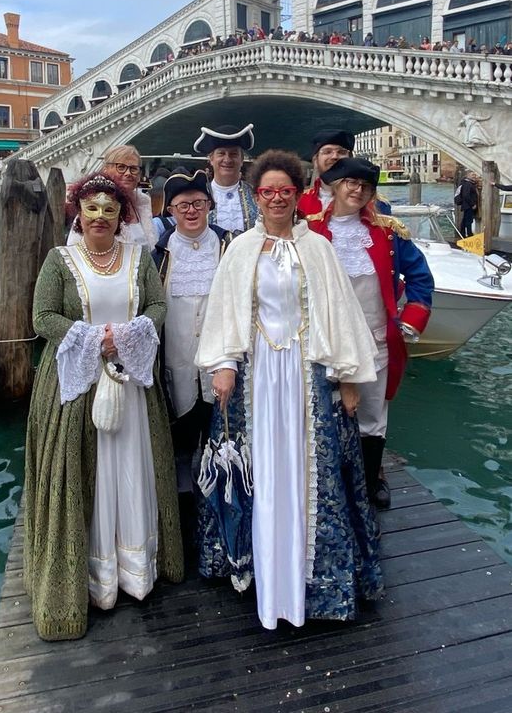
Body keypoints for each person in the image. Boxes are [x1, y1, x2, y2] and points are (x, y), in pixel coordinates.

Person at [196, 149, 383, 629]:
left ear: (299, 194)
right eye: (267, 191)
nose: (277, 199)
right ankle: (261, 572)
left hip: (307, 376)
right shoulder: (240, 249)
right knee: (261, 468)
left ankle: (312, 582)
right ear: (256, 196)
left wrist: (345, 378)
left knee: (309, 471)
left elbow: (340, 313)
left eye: (285, 191)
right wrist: (223, 362)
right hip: (256, 373)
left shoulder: (316, 248)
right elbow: (223, 311)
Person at [24, 173, 183, 641]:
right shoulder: (60, 260)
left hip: (131, 384)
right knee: (82, 472)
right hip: (77, 383)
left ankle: (136, 570)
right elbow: (42, 316)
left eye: (108, 210)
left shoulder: (138, 258)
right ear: (78, 211)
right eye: (91, 209)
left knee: (133, 467)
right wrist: (95, 339)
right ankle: (94, 579)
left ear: (122, 216)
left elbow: (157, 307)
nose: (99, 217)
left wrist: (126, 337)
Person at [317, 158, 434, 508]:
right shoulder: (309, 231)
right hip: (325, 340)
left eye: (365, 186)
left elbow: (420, 278)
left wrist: (410, 319)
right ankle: (328, 485)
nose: (357, 191)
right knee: (323, 414)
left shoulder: (388, 232)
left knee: (371, 417)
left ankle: (370, 484)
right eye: (350, 183)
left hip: (375, 338)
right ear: (336, 185)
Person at [152, 170, 233, 493]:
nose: (191, 211)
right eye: (182, 205)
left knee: (222, 439)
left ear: (209, 205)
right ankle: (184, 503)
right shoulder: (159, 255)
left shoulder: (228, 245)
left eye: (198, 203)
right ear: (170, 210)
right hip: (177, 360)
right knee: (181, 440)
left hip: (221, 362)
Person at [67, 144, 156, 248]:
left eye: (133, 168)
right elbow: (75, 247)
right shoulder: (93, 204)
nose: (128, 173)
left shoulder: (142, 204)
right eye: (121, 167)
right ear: (106, 170)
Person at [193, 123, 257, 232]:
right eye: (221, 153)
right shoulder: (196, 195)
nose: (227, 159)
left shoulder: (255, 194)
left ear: (242, 160)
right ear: (211, 159)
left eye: (233, 154)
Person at [297, 128, 355, 218]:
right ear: (315, 161)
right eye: (327, 152)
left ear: (351, 158)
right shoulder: (299, 202)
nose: (335, 156)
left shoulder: (374, 203)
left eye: (341, 152)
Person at [459, 170, 480, 237]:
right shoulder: (467, 184)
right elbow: (466, 195)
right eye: (472, 175)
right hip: (468, 205)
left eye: (474, 175)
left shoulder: (468, 183)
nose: (474, 176)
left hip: (467, 205)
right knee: (469, 220)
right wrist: (472, 204)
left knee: (465, 219)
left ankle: (462, 233)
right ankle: (469, 234)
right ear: (468, 176)